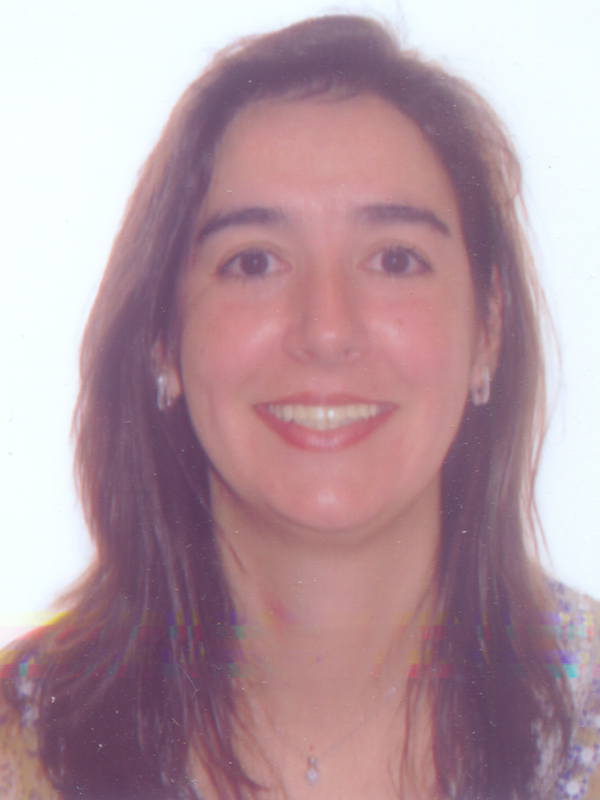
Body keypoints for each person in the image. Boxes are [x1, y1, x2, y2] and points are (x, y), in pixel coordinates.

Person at [1, 14, 599, 800]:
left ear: (488, 329)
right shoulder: (19, 751)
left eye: (395, 260)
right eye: (253, 262)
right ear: (163, 339)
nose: (326, 330)